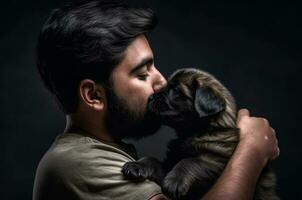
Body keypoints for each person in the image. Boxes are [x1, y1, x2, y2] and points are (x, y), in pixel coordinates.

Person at [33, 1, 280, 200]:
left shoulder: (105, 153)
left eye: (154, 66)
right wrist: (252, 150)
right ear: (94, 95)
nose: (162, 82)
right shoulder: (78, 164)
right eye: (142, 74)